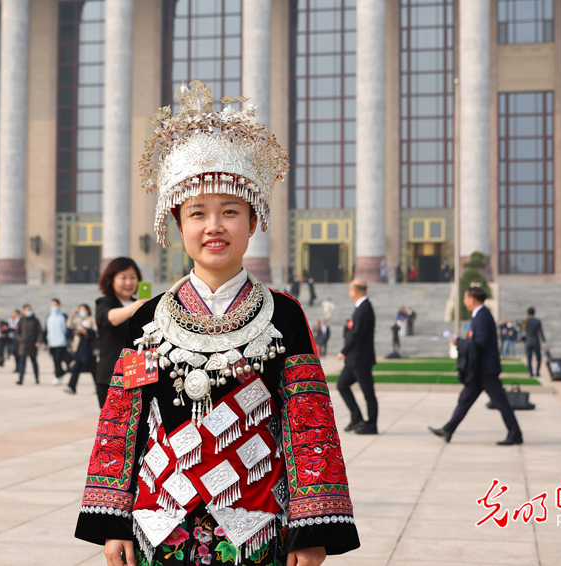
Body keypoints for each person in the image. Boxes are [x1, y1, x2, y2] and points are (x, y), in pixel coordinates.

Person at [75, 83, 359, 565]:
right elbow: (122, 424)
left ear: (253, 221)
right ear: (177, 224)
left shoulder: (285, 314)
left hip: (258, 526)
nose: (214, 226)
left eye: (230, 211)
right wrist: (112, 522)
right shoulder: (147, 319)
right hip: (158, 525)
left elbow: (308, 426)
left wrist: (311, 532)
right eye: (198, 214)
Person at [429, 286, 523, 445]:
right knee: (464, 400)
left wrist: (459, 342)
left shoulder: (482, 316)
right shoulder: (480, 315)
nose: (464, 302)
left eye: (465, 298)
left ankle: (515, 434)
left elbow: (481, 342)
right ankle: (448, 429)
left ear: (472, 299)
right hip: (479, 369)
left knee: (501, 403)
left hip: (486, 370)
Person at [94, 257, 146, 407]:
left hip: (139, 376)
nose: (129, 283)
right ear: (111, 279)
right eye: (123, 278)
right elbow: (109, 318)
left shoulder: (141, 304)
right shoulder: (104, 303)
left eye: (133, 277)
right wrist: (134, 308)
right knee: (114, 427)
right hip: (111, 377)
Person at [337, 279, 378, 435]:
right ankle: (357, 418)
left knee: (368, 393)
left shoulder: (365, 308)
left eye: (350, 289)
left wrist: (344, 351)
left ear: (355, 291)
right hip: (354, 359)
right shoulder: (361, 307)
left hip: (361, 359)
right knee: (342, 385)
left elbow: (357, 334)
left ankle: (371, 425)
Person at [64, 304, 98, 394]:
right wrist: (72, 314)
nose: (81, 312)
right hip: (79, 347)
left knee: (93, 369)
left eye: (83, 310)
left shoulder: (92, 320)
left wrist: (87, 332)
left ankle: (99, 387)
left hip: (89, 348)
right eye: (80, 310)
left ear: (88, 310)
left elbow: (96, 333)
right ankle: (71, 387)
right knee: (77, 366)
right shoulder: (78, 321)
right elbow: (69, 324)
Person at [44, 298, 70, 384]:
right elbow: (46, 330)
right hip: (52, 342)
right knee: (55, 360)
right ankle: (60, 373)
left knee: (59, 359)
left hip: (62, 342)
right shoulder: (49, 317)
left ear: (59, 305)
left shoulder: (64, 316)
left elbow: (68, 329)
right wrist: (45, 342)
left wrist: (69, 340)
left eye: (55, 305)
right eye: (52, 305)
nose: (53, 307)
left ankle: (58, 375)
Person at [15, 304, 42, 385]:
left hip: (33, 344)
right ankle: (21, 378)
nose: (29, 311)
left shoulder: (35, 320)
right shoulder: (21, 320)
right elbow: (17, 332)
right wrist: (20, 340)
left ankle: (37, 378)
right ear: (23, 311)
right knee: (22, 362)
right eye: (27, 309)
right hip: (23, 345)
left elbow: (40, 332)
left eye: (30, 309)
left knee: (34, 362)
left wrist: (38, 341)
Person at [522, 307, 547, 377]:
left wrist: (525, 318)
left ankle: (531, 373)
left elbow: (522, 329)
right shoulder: (537, 321)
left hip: (528, 341)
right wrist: (544, 342)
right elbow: (541, 332)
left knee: (529, 359)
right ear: (534, 313)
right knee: (538, 358)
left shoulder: (525, 321)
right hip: (536, 341)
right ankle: (537, 372)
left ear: (527, 313)